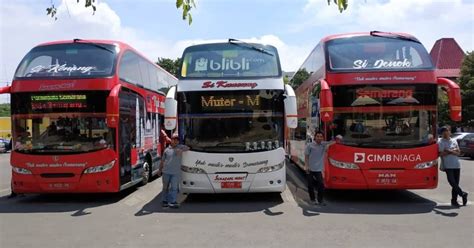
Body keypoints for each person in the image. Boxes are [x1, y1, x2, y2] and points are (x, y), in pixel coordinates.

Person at [438, 126, 468, 207]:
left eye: (447, 131)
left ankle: (454, 200)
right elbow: (440, 154)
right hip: (448, 165)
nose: (445, 133)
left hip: (456, 165)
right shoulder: (440, 142)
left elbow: (458, 152)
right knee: (452, 182)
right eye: (443, 132)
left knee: (456, 184)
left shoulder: (454, 140)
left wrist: (449, 150)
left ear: (449, 132)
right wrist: (452, 151)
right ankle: (463, 194)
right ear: (442, 133)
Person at [158, 134, 189, 208]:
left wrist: (181, 150)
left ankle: (172, 202)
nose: (175, 141)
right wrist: (160, 170)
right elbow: (162, 161)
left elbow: (188, 147)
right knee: (165, 187)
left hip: (175, 173)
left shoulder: (180, 147)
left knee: (174, 188)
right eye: (174, 140)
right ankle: (164, 201)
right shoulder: (167, 150)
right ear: (171, 140)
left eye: (177, 140)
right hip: (166, 172)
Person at [304, 131, 335, 206]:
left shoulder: (323, 144)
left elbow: (333, 142)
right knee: (310, 185)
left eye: (321, 136)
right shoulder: (309, 145)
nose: (319, 138)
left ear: (322, 138)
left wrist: (329, 144)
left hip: (318, 169)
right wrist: (306, 166)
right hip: (310, 168)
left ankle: (320, 200)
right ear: (315, 137)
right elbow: (306, 156)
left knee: (321, 184)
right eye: (318, 136)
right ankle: (312, 199)